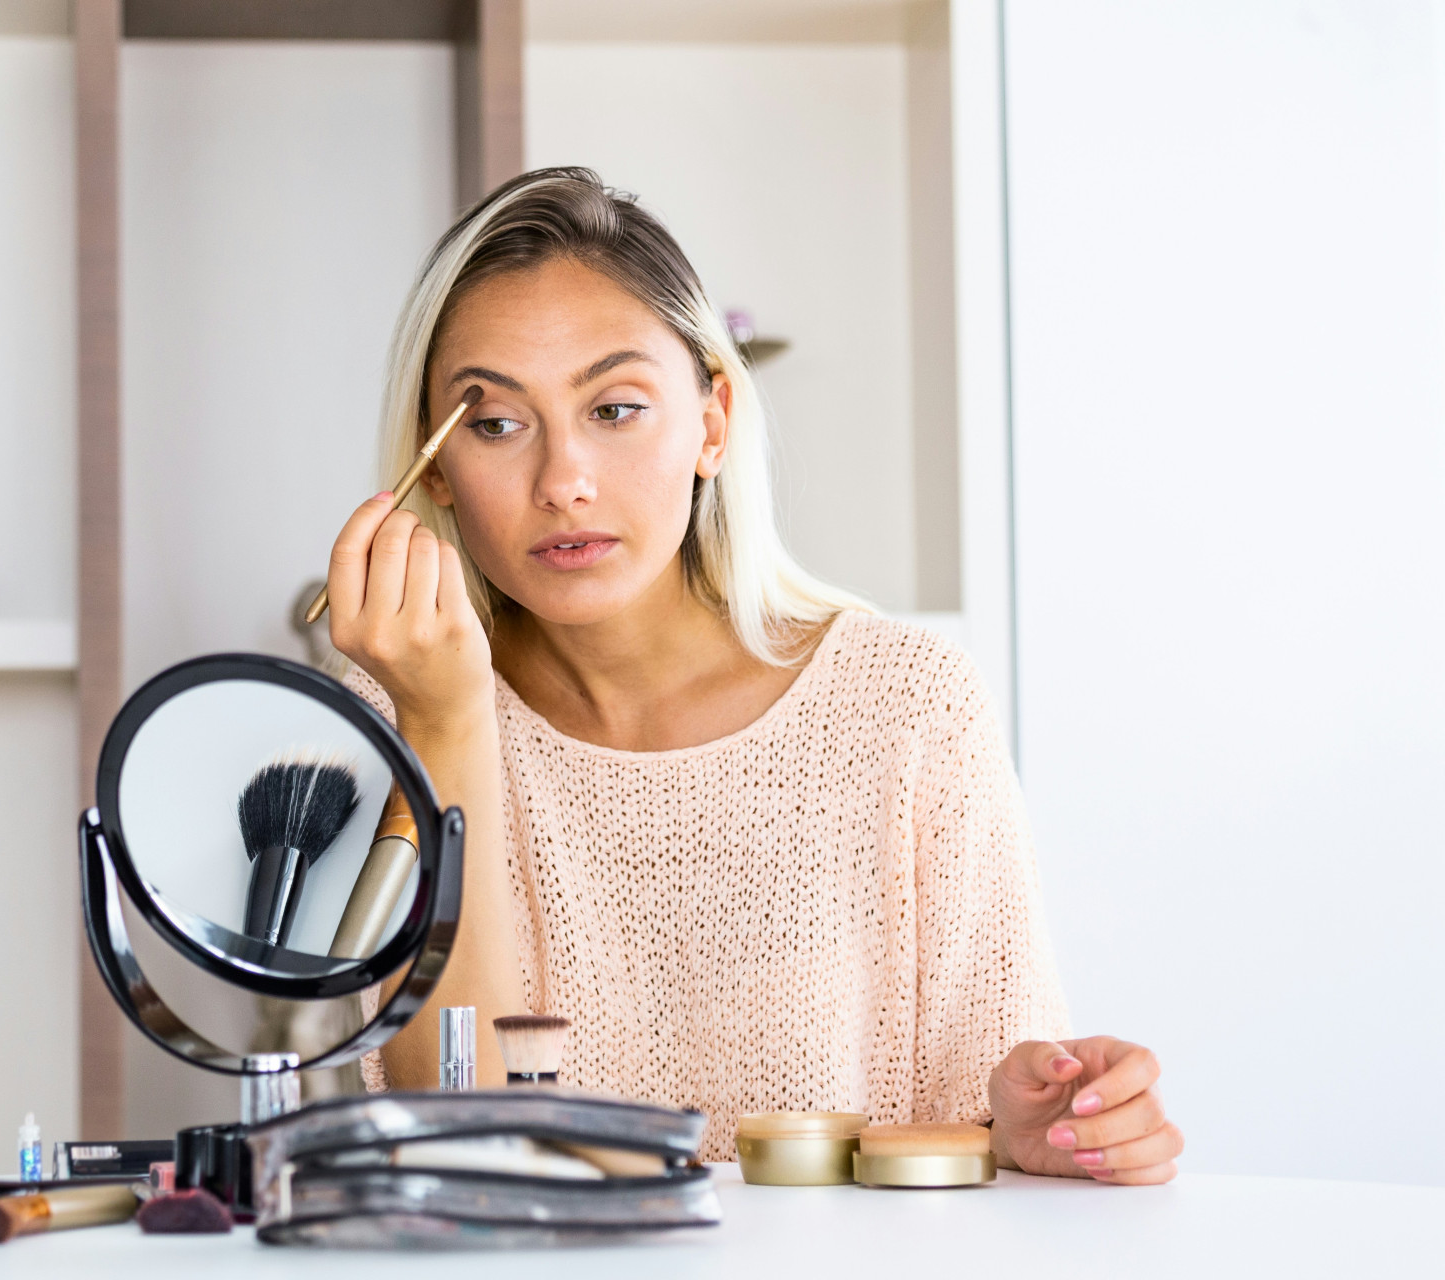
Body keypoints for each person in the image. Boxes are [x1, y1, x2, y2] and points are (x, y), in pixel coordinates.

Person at [324, 168, 1181, 1183]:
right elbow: (452, 1143)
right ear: (434, 469)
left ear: (714, 423)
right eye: (496, 424)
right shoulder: (407, 715)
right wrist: (445, 724)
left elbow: (986, 1118)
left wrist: (1033, 1134)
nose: (563, 482)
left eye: (616, 408)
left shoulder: (909, 706)